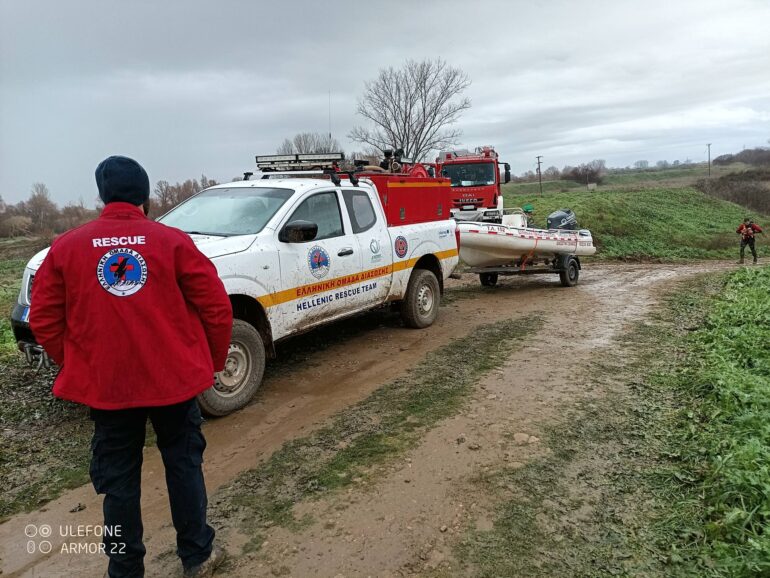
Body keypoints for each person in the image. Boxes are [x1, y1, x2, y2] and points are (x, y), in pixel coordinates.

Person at [30, 156, 233, 578]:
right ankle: (197, 556)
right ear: (146, 196)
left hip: (108, 388)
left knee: (118, 478)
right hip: (173, 383)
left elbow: (43, 320)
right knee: (183, 464)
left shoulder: (66, 248)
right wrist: (211, 363)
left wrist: (78, 363)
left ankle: (124, 569)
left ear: (102, 195)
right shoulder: (172, 242)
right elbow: (215, 307)